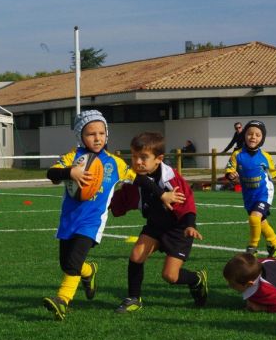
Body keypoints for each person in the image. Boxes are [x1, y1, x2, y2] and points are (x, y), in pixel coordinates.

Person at [42, 110, 183, 321]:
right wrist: (70, 172)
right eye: (91, 134)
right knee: (68, 263)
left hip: (92, 222)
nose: (97, 138)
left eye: (101, 133)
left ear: (107, 134)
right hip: (69, 219)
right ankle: (89, 272)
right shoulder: (73, 156)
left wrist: (162, 194)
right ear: (80, 135)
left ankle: (62, 300)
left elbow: (141, 180)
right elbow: (51, 173)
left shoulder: (115, 162)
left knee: (72, 262)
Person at [110, 132, 208, 312]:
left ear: (159, 159)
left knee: (170, 276)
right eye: (134, 156)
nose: (137, 161)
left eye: (143, 157)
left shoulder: (171, 178)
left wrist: (189, 224)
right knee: (136, 255)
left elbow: (187, 203)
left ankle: (196, 279)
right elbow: (119, 200)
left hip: (178, 229)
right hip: (155, 226)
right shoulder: (133, 180)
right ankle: (133, 298)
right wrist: (103, 203)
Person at [224, 120, 276, 257]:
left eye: (257, 135)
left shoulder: (265, 156)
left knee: (255, 218)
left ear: (262, 139)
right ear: (244, 135)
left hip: (264, 192)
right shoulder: (237, 154)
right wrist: (231, 175)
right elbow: (229, 171)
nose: (253, 137)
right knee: (260, 221)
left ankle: (252, 248)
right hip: (248, 194)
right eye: (250, 134)